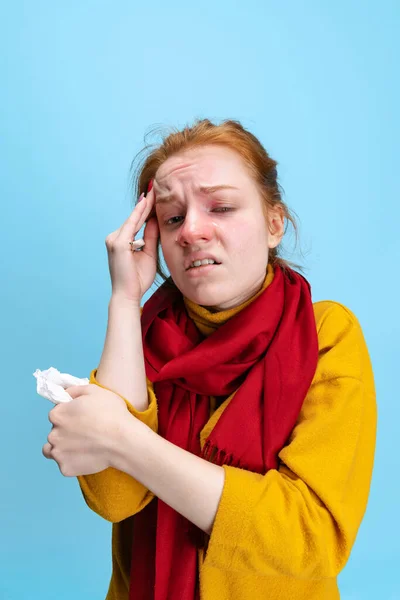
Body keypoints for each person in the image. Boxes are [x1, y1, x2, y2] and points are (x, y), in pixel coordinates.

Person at [42, 119, 377, 600]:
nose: (192, 231)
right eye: (173, 218)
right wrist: (124, 299)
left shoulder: (326, 335)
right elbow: (114, 499)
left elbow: (310, 536)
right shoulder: (143, 340)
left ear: (274, 224)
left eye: (220, 207)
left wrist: (123, 438)